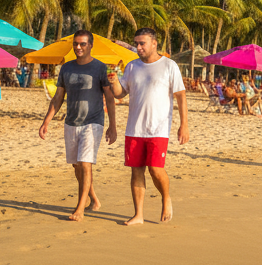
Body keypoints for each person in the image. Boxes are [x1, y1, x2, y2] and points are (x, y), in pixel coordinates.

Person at [111, 27, 188, 225]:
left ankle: (166, 197)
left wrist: (184, 125)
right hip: (134, 128)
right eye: (136, 43)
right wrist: (113, 80)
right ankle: (138, 214)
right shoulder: (131, 66)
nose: (138, 47)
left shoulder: (169, 65)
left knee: (155, 169)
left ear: (154, 43)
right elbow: (120, 93)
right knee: (136, 170)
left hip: (158, 128)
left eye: (142, 43)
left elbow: (180, 96)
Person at [38, 30, 116, 221]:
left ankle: (79, 208)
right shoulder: (66, 68)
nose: (78, 47)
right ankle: (94, 200)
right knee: (76, 166)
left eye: (82, 44)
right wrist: (46, 121)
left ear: (90, 45)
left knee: (85, 164)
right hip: (71, 122)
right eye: (76, 44)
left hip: (93, 122)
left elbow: (109, 97)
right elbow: (58, 97)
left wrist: (112, 126)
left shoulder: (99, 68)